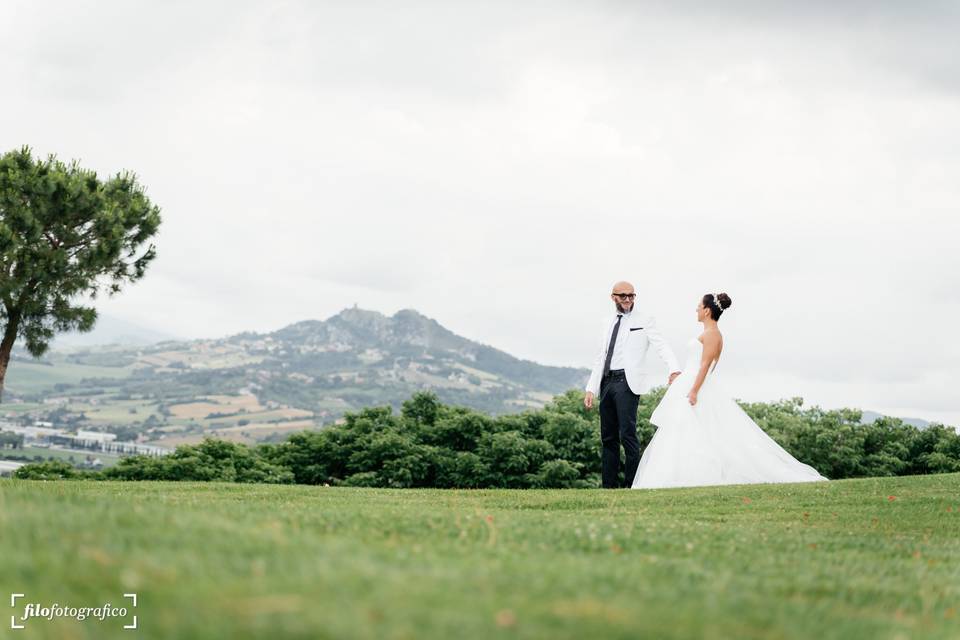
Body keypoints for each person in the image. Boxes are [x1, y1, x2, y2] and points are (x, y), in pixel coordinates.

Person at [631, 293, 828, 489]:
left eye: (699, 306)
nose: (696, 309)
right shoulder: (710, 333)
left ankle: (693, 474)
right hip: (690, 381)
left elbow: (706, 365)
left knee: (690, 430)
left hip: (695, 385)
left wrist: (694, 391)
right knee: (684, 430)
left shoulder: (712, 335)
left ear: (707, 310)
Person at [584, 281, 680, 488]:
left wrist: (673, 368)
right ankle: (609, 486)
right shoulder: (607, 322)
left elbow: (661, 345)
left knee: (627, 433)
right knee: (608, 437)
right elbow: (601, 356)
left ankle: (632, 485)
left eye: (632, 296)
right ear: (613, 297)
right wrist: (591, 388)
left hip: (627, 382)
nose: (628, 299)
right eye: (623, 296)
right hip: (606, 382)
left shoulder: (644, 320)